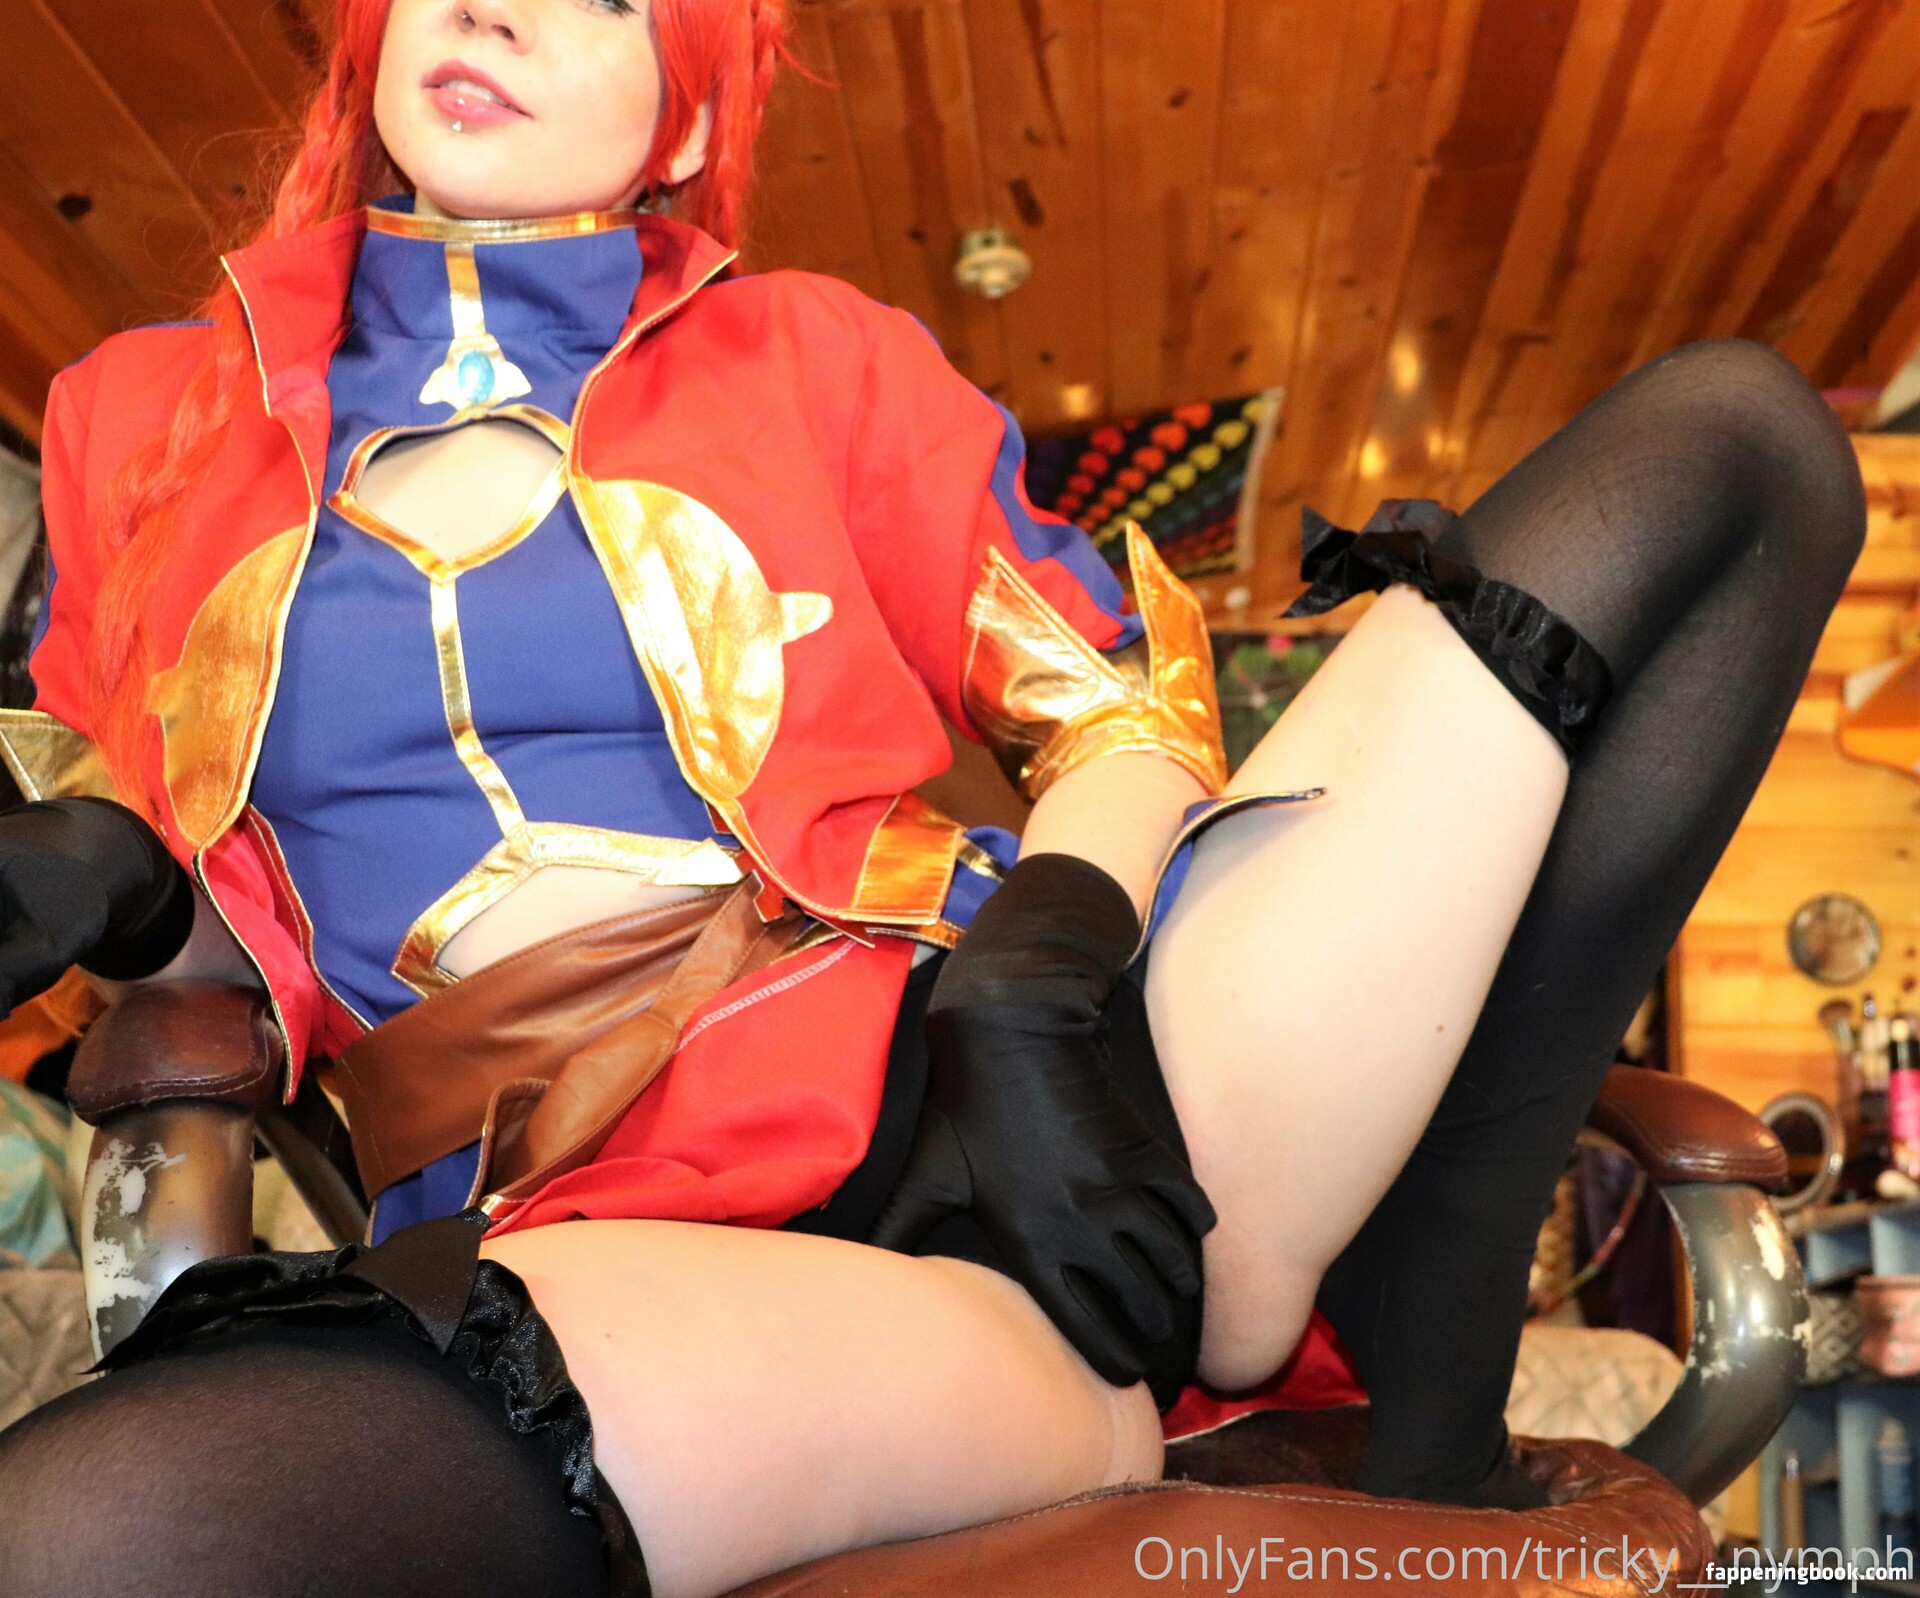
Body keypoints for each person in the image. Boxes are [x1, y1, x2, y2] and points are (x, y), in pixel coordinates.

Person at [0, 2, 1866, 1595]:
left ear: (691, 118)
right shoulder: (137, 421)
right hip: (673, 1230)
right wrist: (115, 879)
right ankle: (1205, 1363)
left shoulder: (810, 355)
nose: (497, 6)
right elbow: (218, 941)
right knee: (115, 1529)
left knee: (1738, 445)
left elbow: (1116, 705)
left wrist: (1036, 974)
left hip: (1068, 1050)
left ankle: (1428, 1305)